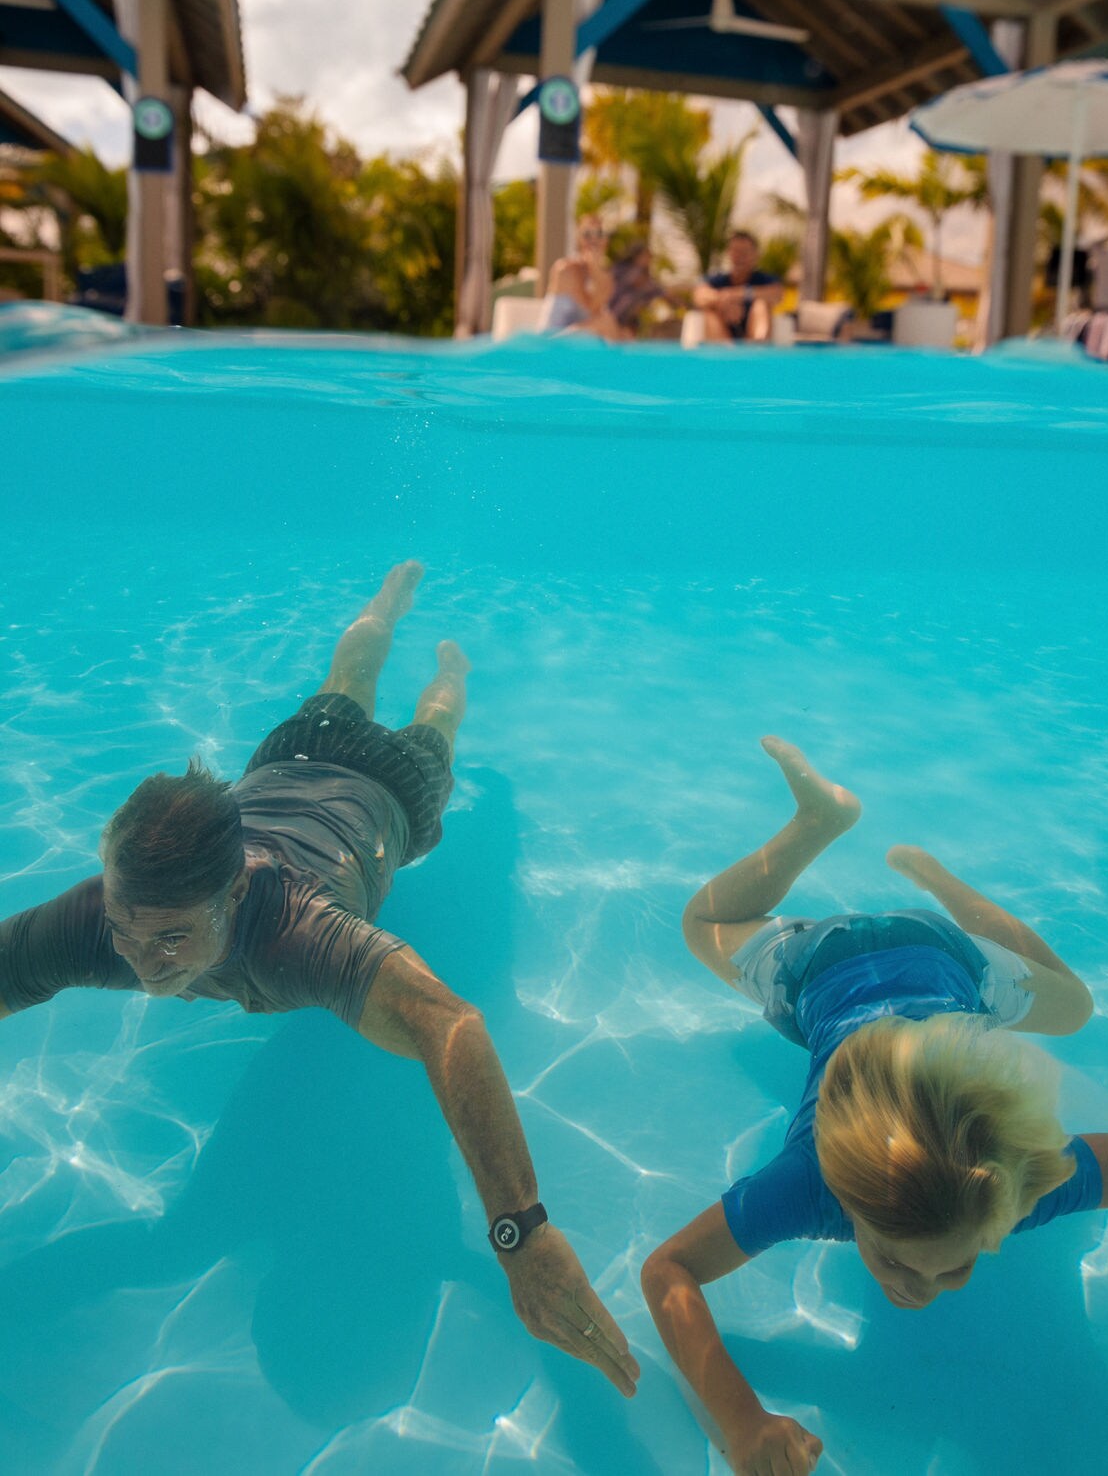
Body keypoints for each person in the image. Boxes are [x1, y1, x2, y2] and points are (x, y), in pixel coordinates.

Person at [0, 560, 640, 1398]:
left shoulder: (295, 933)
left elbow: (451, 1024)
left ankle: (453, 672)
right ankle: (389, 601)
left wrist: (522, 1231)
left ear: (234, 895)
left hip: (389, 797)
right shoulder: (103, 918)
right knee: (346, 678)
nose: (140, 963)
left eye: (172, 940)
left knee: (433, 730)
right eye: (124, 928)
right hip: (288, 759)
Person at [642, 736, 1108, 1475]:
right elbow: (665, 1272)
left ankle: (925, 874)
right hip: (833, 964)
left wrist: (746, 1416)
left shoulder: (1012, 1181)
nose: (939, 1285)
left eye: (956, 1262)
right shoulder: (812, 1185)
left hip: (933, 951)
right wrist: (741, 1419)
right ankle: (818, 823)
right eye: (922, 1264)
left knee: (1073, 1005)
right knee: (703, 927)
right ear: (843, 1203)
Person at [693, 231, 784, 343]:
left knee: (761, 306)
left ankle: (755, 351)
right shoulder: (716, 280)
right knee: (710, 312)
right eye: (735, 251)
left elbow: (777, 294)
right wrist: (722, 303)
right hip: (722, 338)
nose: (739, 257)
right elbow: (699, 296)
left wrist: (737, 294)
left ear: (755, 255)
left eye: (745, 252)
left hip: (753, 338)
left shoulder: (765, 280)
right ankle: (724, 355)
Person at [541, 214, 619, 337]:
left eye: (599, 234)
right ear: (579, 240)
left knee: (611, 324)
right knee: (606, 322)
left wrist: (596, 268)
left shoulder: (607, 277)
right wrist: (594, 265)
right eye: (587, 235)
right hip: (551, 341)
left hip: (578, 344)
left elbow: (598, 304)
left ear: (606, 240)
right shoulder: (565, 269)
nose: (594, 239)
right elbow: (591, 308)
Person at [608, 242, 675, 339]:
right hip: (616, 313)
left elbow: (659, 292)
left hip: (631, 320)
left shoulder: (645, 274)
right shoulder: (622, 269)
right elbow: (638, 282)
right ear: (637, 255)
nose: (649, 259)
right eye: (646, 255)